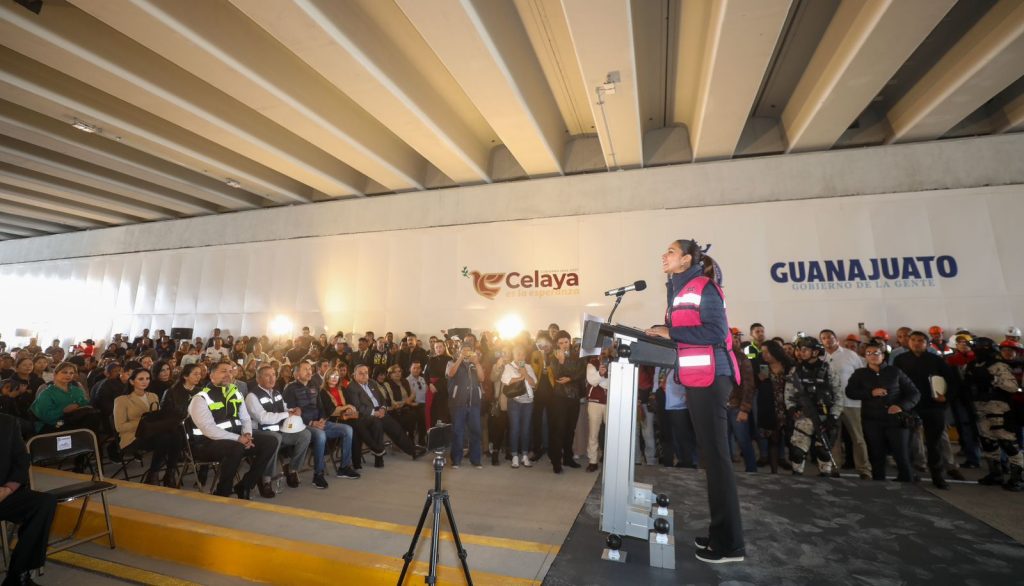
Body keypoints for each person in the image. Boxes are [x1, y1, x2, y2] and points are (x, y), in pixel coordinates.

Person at [645, 238, 744, 563]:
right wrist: (662, 330)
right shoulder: (679, 290)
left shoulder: (704, 287)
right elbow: (684, 334)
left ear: (687, 259)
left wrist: (670, 333)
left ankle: (730, 545)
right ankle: (719, 535)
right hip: (698, 378)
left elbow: (715, 332)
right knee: (710, 460)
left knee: (717, 460)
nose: (665, 255)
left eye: (671, 251)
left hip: (713, 377)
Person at [187, 361, 276, 499]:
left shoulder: (236, 393)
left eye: (230, 371)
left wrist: (247, 434)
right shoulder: (200, 398)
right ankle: (223, 490)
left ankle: (245, 485)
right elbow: (208, 429)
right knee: (236, 448)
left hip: (234, 441)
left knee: (270, 442)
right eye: (223, 371)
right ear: (211, 375)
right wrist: (238, 438)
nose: (228, 374)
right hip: (205, 444)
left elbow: (245, 418)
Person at [845, 341, 920, 482]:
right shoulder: (860, 374)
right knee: (876, 455)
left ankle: (907, 480)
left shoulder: (895, 372)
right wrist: (870, 393)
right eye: (868, 353)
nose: (872, 356)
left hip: (896, 420)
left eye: (876, 353)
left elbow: (914, 393)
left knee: (901, 454)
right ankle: (878, 483)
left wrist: (900, 406)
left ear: (883, 355)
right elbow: (850, 392)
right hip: (871, 420)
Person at [893, 331, 959, 489]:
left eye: (920, 340)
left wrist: (946, 397)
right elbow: (894, 382)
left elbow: (953, 381)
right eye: (913, 340)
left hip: (933, 407)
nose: (916, 343)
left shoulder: (937, 360)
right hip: (909, 407)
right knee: (908, 442)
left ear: (927, 343)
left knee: (934, 443)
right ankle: (908, 473)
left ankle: (938, 477)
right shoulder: (900, 360)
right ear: (908, 342)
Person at [0, 413, 57, 586]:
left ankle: (19, 576)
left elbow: (22, 461)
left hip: (4, 494)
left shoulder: (7, 422)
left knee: (44, 503)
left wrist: (8, 488)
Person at [284, 362, 359, 486]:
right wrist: (311, 422)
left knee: (347, 429)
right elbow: (291, 412)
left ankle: (344, 467)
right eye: (305, 369)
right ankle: (318, 474)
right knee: (320, 435)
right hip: (302, 425)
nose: (309, 371)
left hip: (319, 422)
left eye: (310, 369)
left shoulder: (314, 385)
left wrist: (323, 419)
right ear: (296, 374)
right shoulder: (290, 389)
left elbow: (321, 407)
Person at [245, 364, 311, 496]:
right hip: (261, 434)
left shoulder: (276, 393)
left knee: (305, 434)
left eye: (274, 375)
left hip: (279, 431)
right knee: (276, 438)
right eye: (267, 375)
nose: (272, 378)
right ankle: (266, 480)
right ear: (258, 379)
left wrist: (293, 410)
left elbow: (284, 408)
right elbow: (263, 418)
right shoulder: (252, 396)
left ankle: (292, 469)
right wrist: (286, 414)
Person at [967, 338, 1023, 491]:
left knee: (1008, 443)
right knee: (987, 442)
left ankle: (1018, 478)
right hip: (980, 407)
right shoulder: (972, 365)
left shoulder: (999, 365)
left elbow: (1012, 387)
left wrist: (993, 378)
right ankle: (995, 474)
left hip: (999, 409)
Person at [112, 368, 183, 487]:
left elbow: (157, 418)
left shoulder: (153, 396)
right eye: (141, 379)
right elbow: (120, 427)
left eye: (147, 378)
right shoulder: (121, 400)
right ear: (132, 381)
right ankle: (153, 473)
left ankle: (169, 473)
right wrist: (142, 422)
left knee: (176, 435)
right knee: (164, 438)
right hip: (133, 437)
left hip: (152, 433)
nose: (145, 381)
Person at [345, 365, 423, 467]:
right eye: (361, 373)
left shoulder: (372, 382)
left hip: (379, 412)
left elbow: (382, 399)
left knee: (395, 427)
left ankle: (412, 451)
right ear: (354, 375)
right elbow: (358, 406)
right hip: (365, 416)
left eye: (366, 373)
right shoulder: (352, 387)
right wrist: (374, 412)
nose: (364, 375)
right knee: (377, 425)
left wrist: (382, 408)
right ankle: (379, 457)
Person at [820, 329, 870, 480]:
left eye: (830, 337)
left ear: (836, 339)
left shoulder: (850, 355)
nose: (828, 340)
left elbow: (862, 376)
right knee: (834, 439)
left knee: (858, 438)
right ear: (821, 341)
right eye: (824, 338)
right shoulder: (821, 357)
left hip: (851, 402)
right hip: (831, 404)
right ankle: (835, 468)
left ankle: (864, 469)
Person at [787, 337, 840, 477]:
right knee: (797, 452)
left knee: (823, 450)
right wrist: (792, 409)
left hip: (825, 417)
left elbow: (838, 394)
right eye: (799, 349)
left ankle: (825, 474)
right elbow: (789, 392)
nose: (801, 352)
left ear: (815, 352)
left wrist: (834, 416)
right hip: (803, 417)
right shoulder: (795, 370)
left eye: (805, 349)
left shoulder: (828, 369)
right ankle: (797, 474)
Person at [446, 335, 485, 469]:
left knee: (475, 431)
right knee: (458, 431)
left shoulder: (475, 364)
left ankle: (476, 460)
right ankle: (456, 460)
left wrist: (477, 363)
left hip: (474, 403)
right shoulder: (452, 362)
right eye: (464, 350)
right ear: (459, 351)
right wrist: (460, 358)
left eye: (469, 350)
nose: (467, 352)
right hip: (458, 403)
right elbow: (450, 374)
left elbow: (482, 378)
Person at [500, 345, 536, 469]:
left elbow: (534, 383)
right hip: (514, 401)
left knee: (526, 429)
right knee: (515, 428)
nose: (520, 356)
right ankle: (514, 455)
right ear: (514, 355)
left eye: (522, 354)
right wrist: (520, 377)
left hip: (528, 402)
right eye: (518, 354)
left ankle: (525, 455)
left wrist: (525, 373)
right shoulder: (508, 367)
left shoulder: (528, 367)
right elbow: (505, 380)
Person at [583, 355, 608, 473]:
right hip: (595, 402)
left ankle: (609, 456)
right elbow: (592, 381)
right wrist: (601, 375)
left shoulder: (616, 362)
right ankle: (593, 461)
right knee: (593, 433)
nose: (605, 350)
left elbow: (614, 382)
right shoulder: (592, 363)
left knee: (611, 433)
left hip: (611, 402)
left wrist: (599, 377)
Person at [406, 361, 429, 446]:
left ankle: (422, 440)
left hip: (423, 404)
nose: (416, 370)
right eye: (414, 368)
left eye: (418, 368)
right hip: (412, 405)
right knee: (420, 415)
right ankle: (411, 439)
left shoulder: (422, 379)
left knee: (426, 414)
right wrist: (411, 403)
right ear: (410, 369)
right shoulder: (406, 381)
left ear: (421, 369)